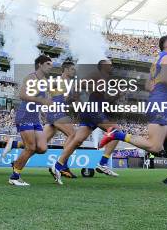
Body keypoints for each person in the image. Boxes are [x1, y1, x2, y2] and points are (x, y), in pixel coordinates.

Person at [99, 35, 167, 194]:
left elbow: (148, 85)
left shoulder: (158, 59)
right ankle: (118, 135)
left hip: (161, 103)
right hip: (159, 104)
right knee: (155, 146)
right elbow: (165, 78)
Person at [50, 60, 120, 184]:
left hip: (91, 111)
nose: (112, 66)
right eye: (109, 64)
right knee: (116, 131)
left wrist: (115, 96)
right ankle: (103, 163)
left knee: (77, 140)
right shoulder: (96, 74)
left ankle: (57, 166)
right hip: (93, 111)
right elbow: (80, 85)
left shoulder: (105, 79)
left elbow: (104, 98)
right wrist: (77, 97)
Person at [8, 54, 53, 186]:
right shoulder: (31, 77)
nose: (51, 67)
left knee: (42, 147)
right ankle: (14, 176)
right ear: (40, 64)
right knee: (31, 147)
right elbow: (22, 95)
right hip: (25, 115)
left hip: (35, 118)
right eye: (48, 64)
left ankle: (16, 153)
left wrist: (45, 115)